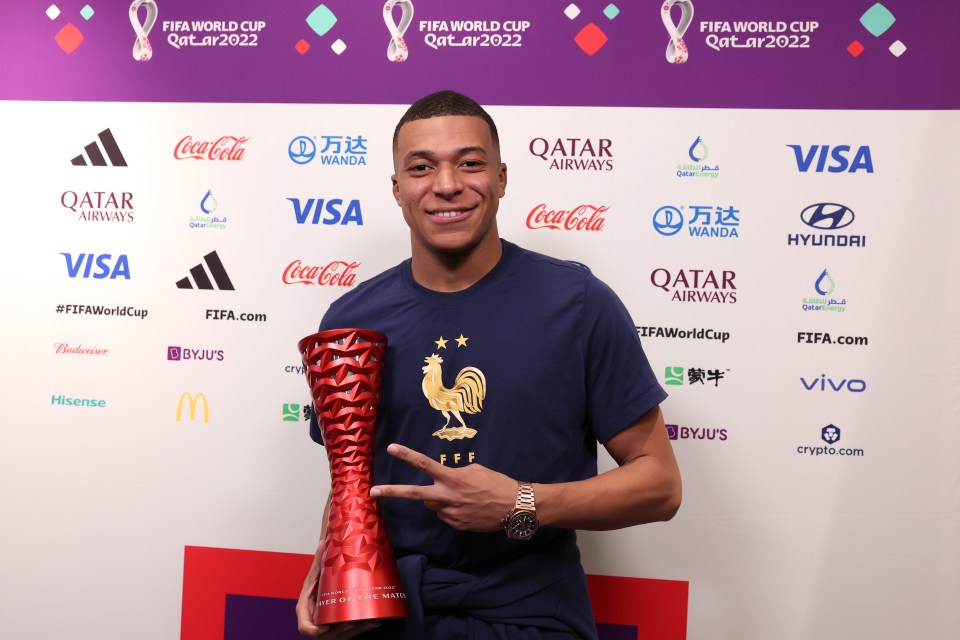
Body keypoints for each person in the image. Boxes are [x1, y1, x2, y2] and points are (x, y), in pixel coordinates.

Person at [297, 90, 681, 639]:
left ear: (502, 178)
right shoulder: (351, 319)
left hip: (530, 616)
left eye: (470, 163)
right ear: (396, 188)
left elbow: (660, 485)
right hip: (387, 616)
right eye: (421, 167)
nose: (447, 184)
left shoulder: (578, 304)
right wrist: (331, 568)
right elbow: (350, 479)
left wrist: (519, 504)